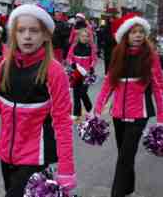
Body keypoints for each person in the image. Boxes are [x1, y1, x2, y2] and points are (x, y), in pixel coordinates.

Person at [0, 4, 76, 197]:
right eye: (21, 30)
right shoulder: (4, 68)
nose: (27, 36)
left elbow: (63, 122)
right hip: (6, 154)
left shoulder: (54, 71)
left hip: (36, 156)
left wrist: (66, 169)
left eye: (34, 30)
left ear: (46, 35)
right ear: (13, 35)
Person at [94, 13, 163, 197]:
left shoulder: (151, 57)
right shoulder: (118, 54)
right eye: (134, 32)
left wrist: (161, 119)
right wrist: (97, 110)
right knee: (124, 155)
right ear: (126, 35)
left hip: (139, 114)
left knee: (125, 157)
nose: (138, 35)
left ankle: (117, 193)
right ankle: (129, 188)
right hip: (118, 113)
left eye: (141, 32)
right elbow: (108, 83)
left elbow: (158, 88)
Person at [67, 29, 97, 122]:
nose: (85, 38)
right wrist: (72, 63)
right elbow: (69, 57)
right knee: (76, 94)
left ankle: (90, 110)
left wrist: (92, 67)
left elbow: (94, 59)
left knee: (83, 93)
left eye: (87, 36)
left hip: (86, 74)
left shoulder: (91, 47)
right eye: (83, 36)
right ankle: (76, 114)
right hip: (76, 73)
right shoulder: (74, 46)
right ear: (79, 37)